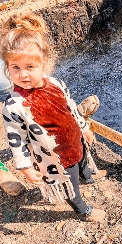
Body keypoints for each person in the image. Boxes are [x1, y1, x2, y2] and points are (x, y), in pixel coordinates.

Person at [1, 13, 106, 222]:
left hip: (74, 140)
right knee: (69, 183)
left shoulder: (56, 84)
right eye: (16, 68)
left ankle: (88, 175)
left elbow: (72, 108)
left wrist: (84, 127)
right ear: (7, 67)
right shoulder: (14, 104)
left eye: (30, 67)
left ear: (44, 62)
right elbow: (16, 139)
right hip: (55, 157)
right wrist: (25, 167)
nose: (23, 74)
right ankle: (82, 210)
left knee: (82, 158)